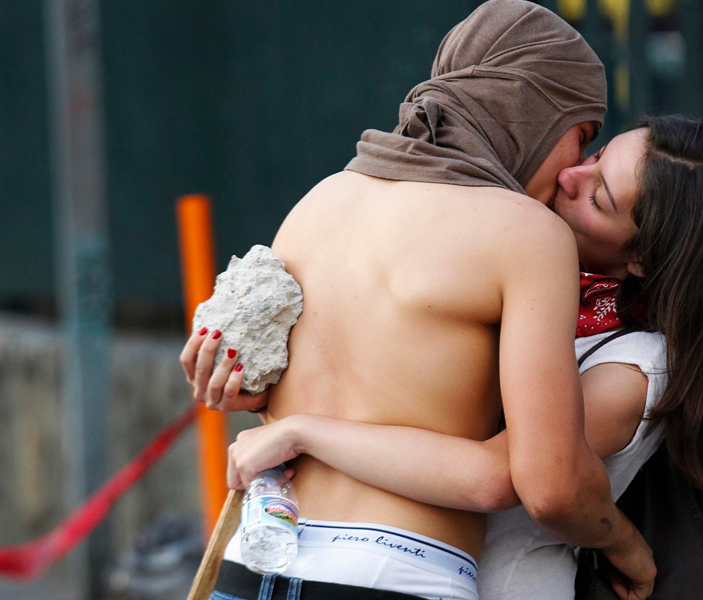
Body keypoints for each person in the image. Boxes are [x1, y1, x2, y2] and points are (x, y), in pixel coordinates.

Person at [182, 2, 657, 600]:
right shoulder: (526, 236)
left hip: (248, 564)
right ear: (535, 110)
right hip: (395, 575)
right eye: (581, 136)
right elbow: (548, 484)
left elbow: (285, 395)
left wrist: (260, 405)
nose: (569, 174)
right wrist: (630, 550)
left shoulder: (320, 201)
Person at [196, 116, 703, 600]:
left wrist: (303, 431)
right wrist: (269, 395)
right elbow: (401, 416)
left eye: (598, 197)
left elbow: (497, 475)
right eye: (595, 156)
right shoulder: (521, 284)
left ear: (644, 259)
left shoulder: (636, 366)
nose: (570, 175)